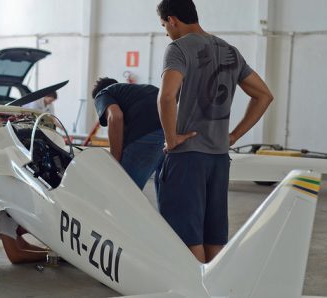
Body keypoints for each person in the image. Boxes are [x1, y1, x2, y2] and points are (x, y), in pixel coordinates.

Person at [156, 0, 273, 263]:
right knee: (213, 236)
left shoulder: (178, 48)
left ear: (172, 19)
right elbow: (264, 95)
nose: (166, 31)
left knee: (185, 237)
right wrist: (232, 137)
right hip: (219, 158)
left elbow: (166, 97)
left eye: (164, 25)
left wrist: (171, 138)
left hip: (187, 157)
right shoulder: (229, 49)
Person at [92, 78, 165, 191]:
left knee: (123, 192)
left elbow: (115, 117)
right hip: (170, 134)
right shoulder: (137, 92)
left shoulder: (102, 94)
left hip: (146, 134)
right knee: (164, 192)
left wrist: (115, 161)